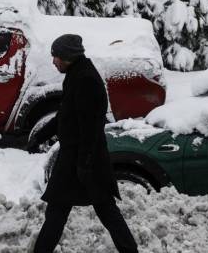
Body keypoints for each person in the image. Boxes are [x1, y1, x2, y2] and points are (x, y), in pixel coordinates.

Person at [28, 34, 138, 253]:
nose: (53, 61)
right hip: (79, 159)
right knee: (64, 211)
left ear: (67, 57)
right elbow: (65, 115)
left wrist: (84, 164)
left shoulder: (85, 80)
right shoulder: (75, 75)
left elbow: (90, 129)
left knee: (100, 210)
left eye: (56, 57)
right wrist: (41, 136)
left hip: (84, 160)